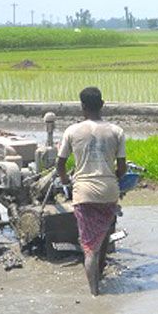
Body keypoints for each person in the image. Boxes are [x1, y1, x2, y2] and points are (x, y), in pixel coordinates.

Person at [56, 86, 126, 295]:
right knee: (103, 235)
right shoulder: (116, 131)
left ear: (82, 107)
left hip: (84, 192)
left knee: (89, 248)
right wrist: (112, 178)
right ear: (102, 105)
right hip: (108, 192)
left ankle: (95, 293)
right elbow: (121, 168)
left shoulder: (72, 131)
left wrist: (67, 181)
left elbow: (60, 165)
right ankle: (101, 274)